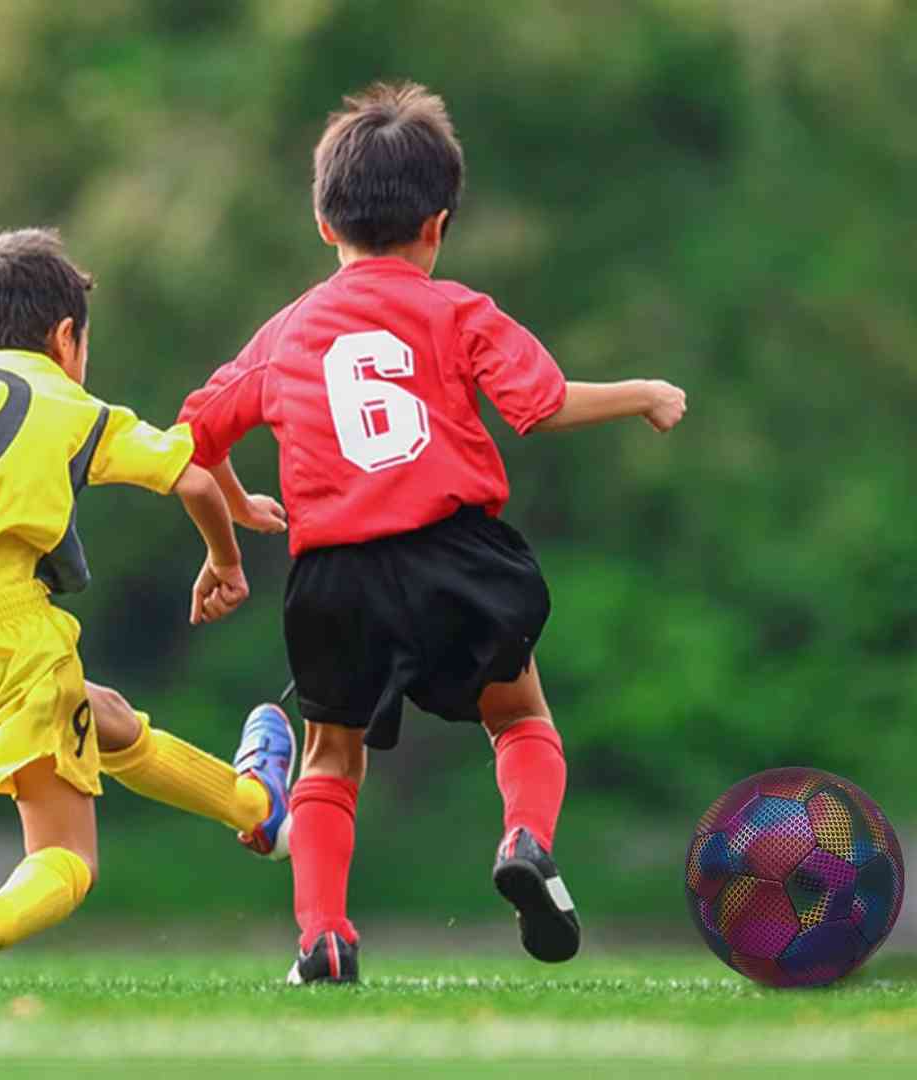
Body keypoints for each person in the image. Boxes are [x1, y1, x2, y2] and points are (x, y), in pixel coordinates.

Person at [177, 83, 688, 984]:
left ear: (323, 222)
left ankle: (323, 938)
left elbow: (192, 436)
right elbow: (544, 404)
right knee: (519, 713)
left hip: (333, 572)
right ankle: (526, 840)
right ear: (438, 225)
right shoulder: (455, 310)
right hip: (453, 556)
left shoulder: (287, 332)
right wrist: (643, 393)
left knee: (331, 758)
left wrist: (236, 512)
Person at [0, 228, 294, 988]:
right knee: (68, 861)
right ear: (65, 337)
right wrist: (226, 556)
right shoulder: (77, 408)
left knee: (100, 715)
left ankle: (256, 807)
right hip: (16, 641)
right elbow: (191, 479)